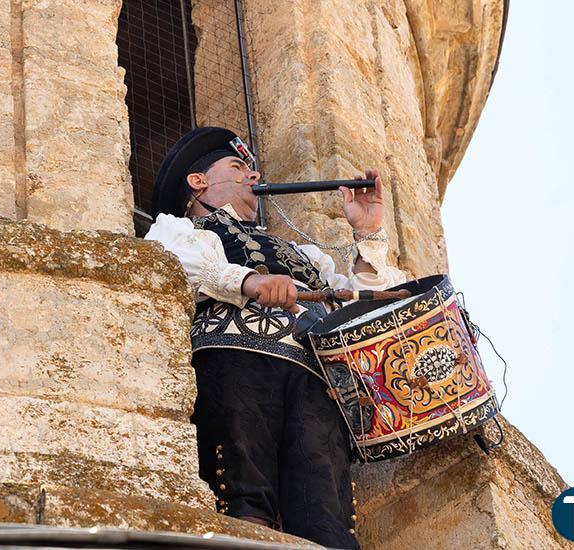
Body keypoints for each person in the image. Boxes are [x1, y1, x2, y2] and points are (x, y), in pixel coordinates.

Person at [145, 127, 406, 549]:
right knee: (245, 497)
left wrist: (368, 234)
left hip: (316, 383)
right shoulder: (183, 230)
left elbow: (366, 304)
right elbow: (174, 260)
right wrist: (247, 281)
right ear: (198, 181)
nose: (253, 175)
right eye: (237, 167)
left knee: (325, 515)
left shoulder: (300, 254)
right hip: (236, 362)